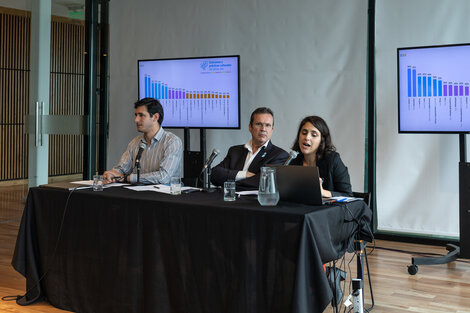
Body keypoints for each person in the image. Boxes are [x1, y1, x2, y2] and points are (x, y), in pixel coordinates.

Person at [103, 97, 183, 184]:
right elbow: (121, 169)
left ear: (155, 117)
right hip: (139, 194)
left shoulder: (172, 142)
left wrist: (128, 178)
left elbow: (164, 177)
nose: (136, 120)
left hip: (166, 196)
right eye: (136, 115)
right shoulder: (135, 142)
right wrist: (112, 174)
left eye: (141, 115)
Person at [211, 107, 289, 190]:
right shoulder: (235, 151)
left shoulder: (279, 155)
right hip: (228, 199)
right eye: (259, 124)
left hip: (253, 202)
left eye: (267, 125)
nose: (263, 129)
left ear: (272, 130)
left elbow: (262, 183)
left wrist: (229, 183)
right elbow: (214, 174)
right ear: (250, 127)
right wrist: (244, 174)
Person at [290, 115, 352, 197]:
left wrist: (323, 192)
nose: (307, 137)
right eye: (304, 133)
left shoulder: (332, 160)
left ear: (322, 140)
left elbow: (347, 195)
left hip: (330, 209)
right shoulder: (294, 162)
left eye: (314, 135)